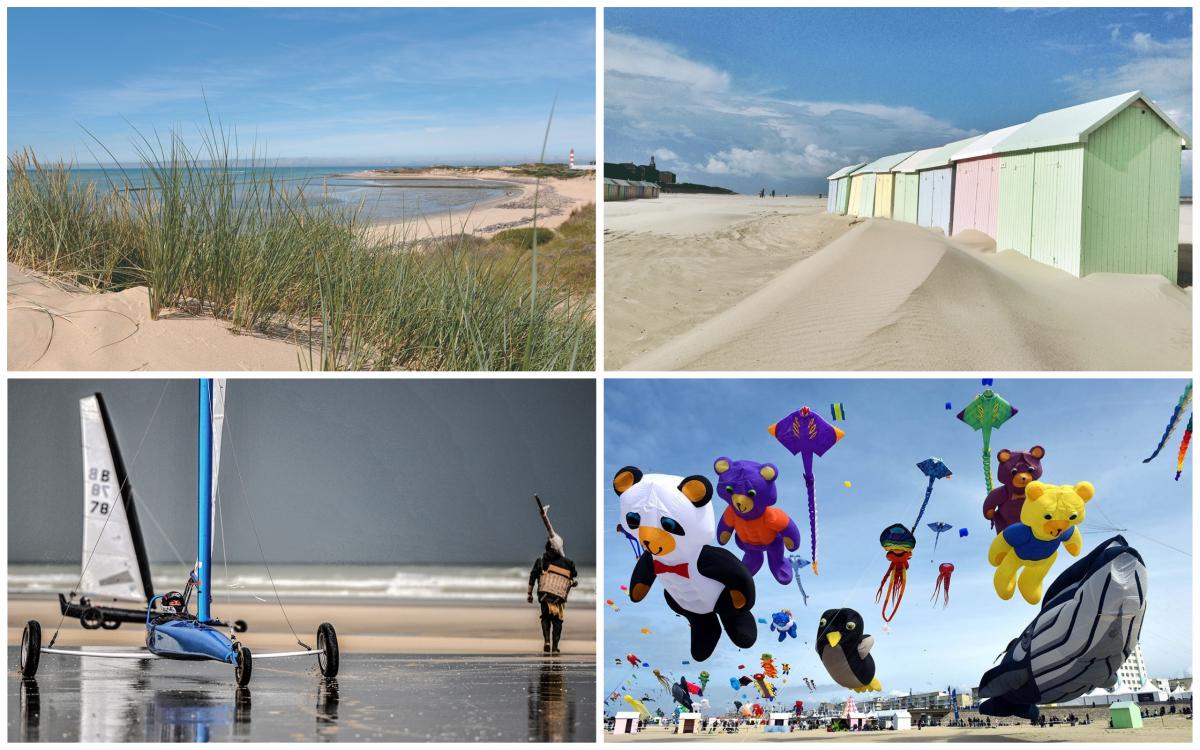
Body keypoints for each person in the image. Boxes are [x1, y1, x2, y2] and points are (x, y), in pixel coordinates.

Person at [528, 540, 577, 654]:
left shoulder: (540, 561)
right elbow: (574, 574)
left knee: (545, 617)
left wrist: (529, 594)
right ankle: (555, 647)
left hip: (544, 594)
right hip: (558, 597)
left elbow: (533, 576)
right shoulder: (568, 562)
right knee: (557, 621)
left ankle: (547, 642)